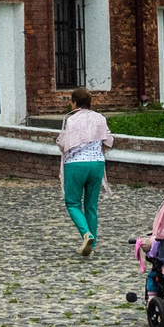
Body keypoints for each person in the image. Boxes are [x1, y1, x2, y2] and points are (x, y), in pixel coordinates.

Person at [57, 87, 114, 256]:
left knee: (72, 203)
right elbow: (108, 140)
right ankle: (92, 245)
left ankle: (86, 234)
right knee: (91, 205)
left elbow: (64, 143)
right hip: (97, 163)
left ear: (75, 102)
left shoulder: (71, 120)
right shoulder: (100, 118)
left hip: (75, 165)